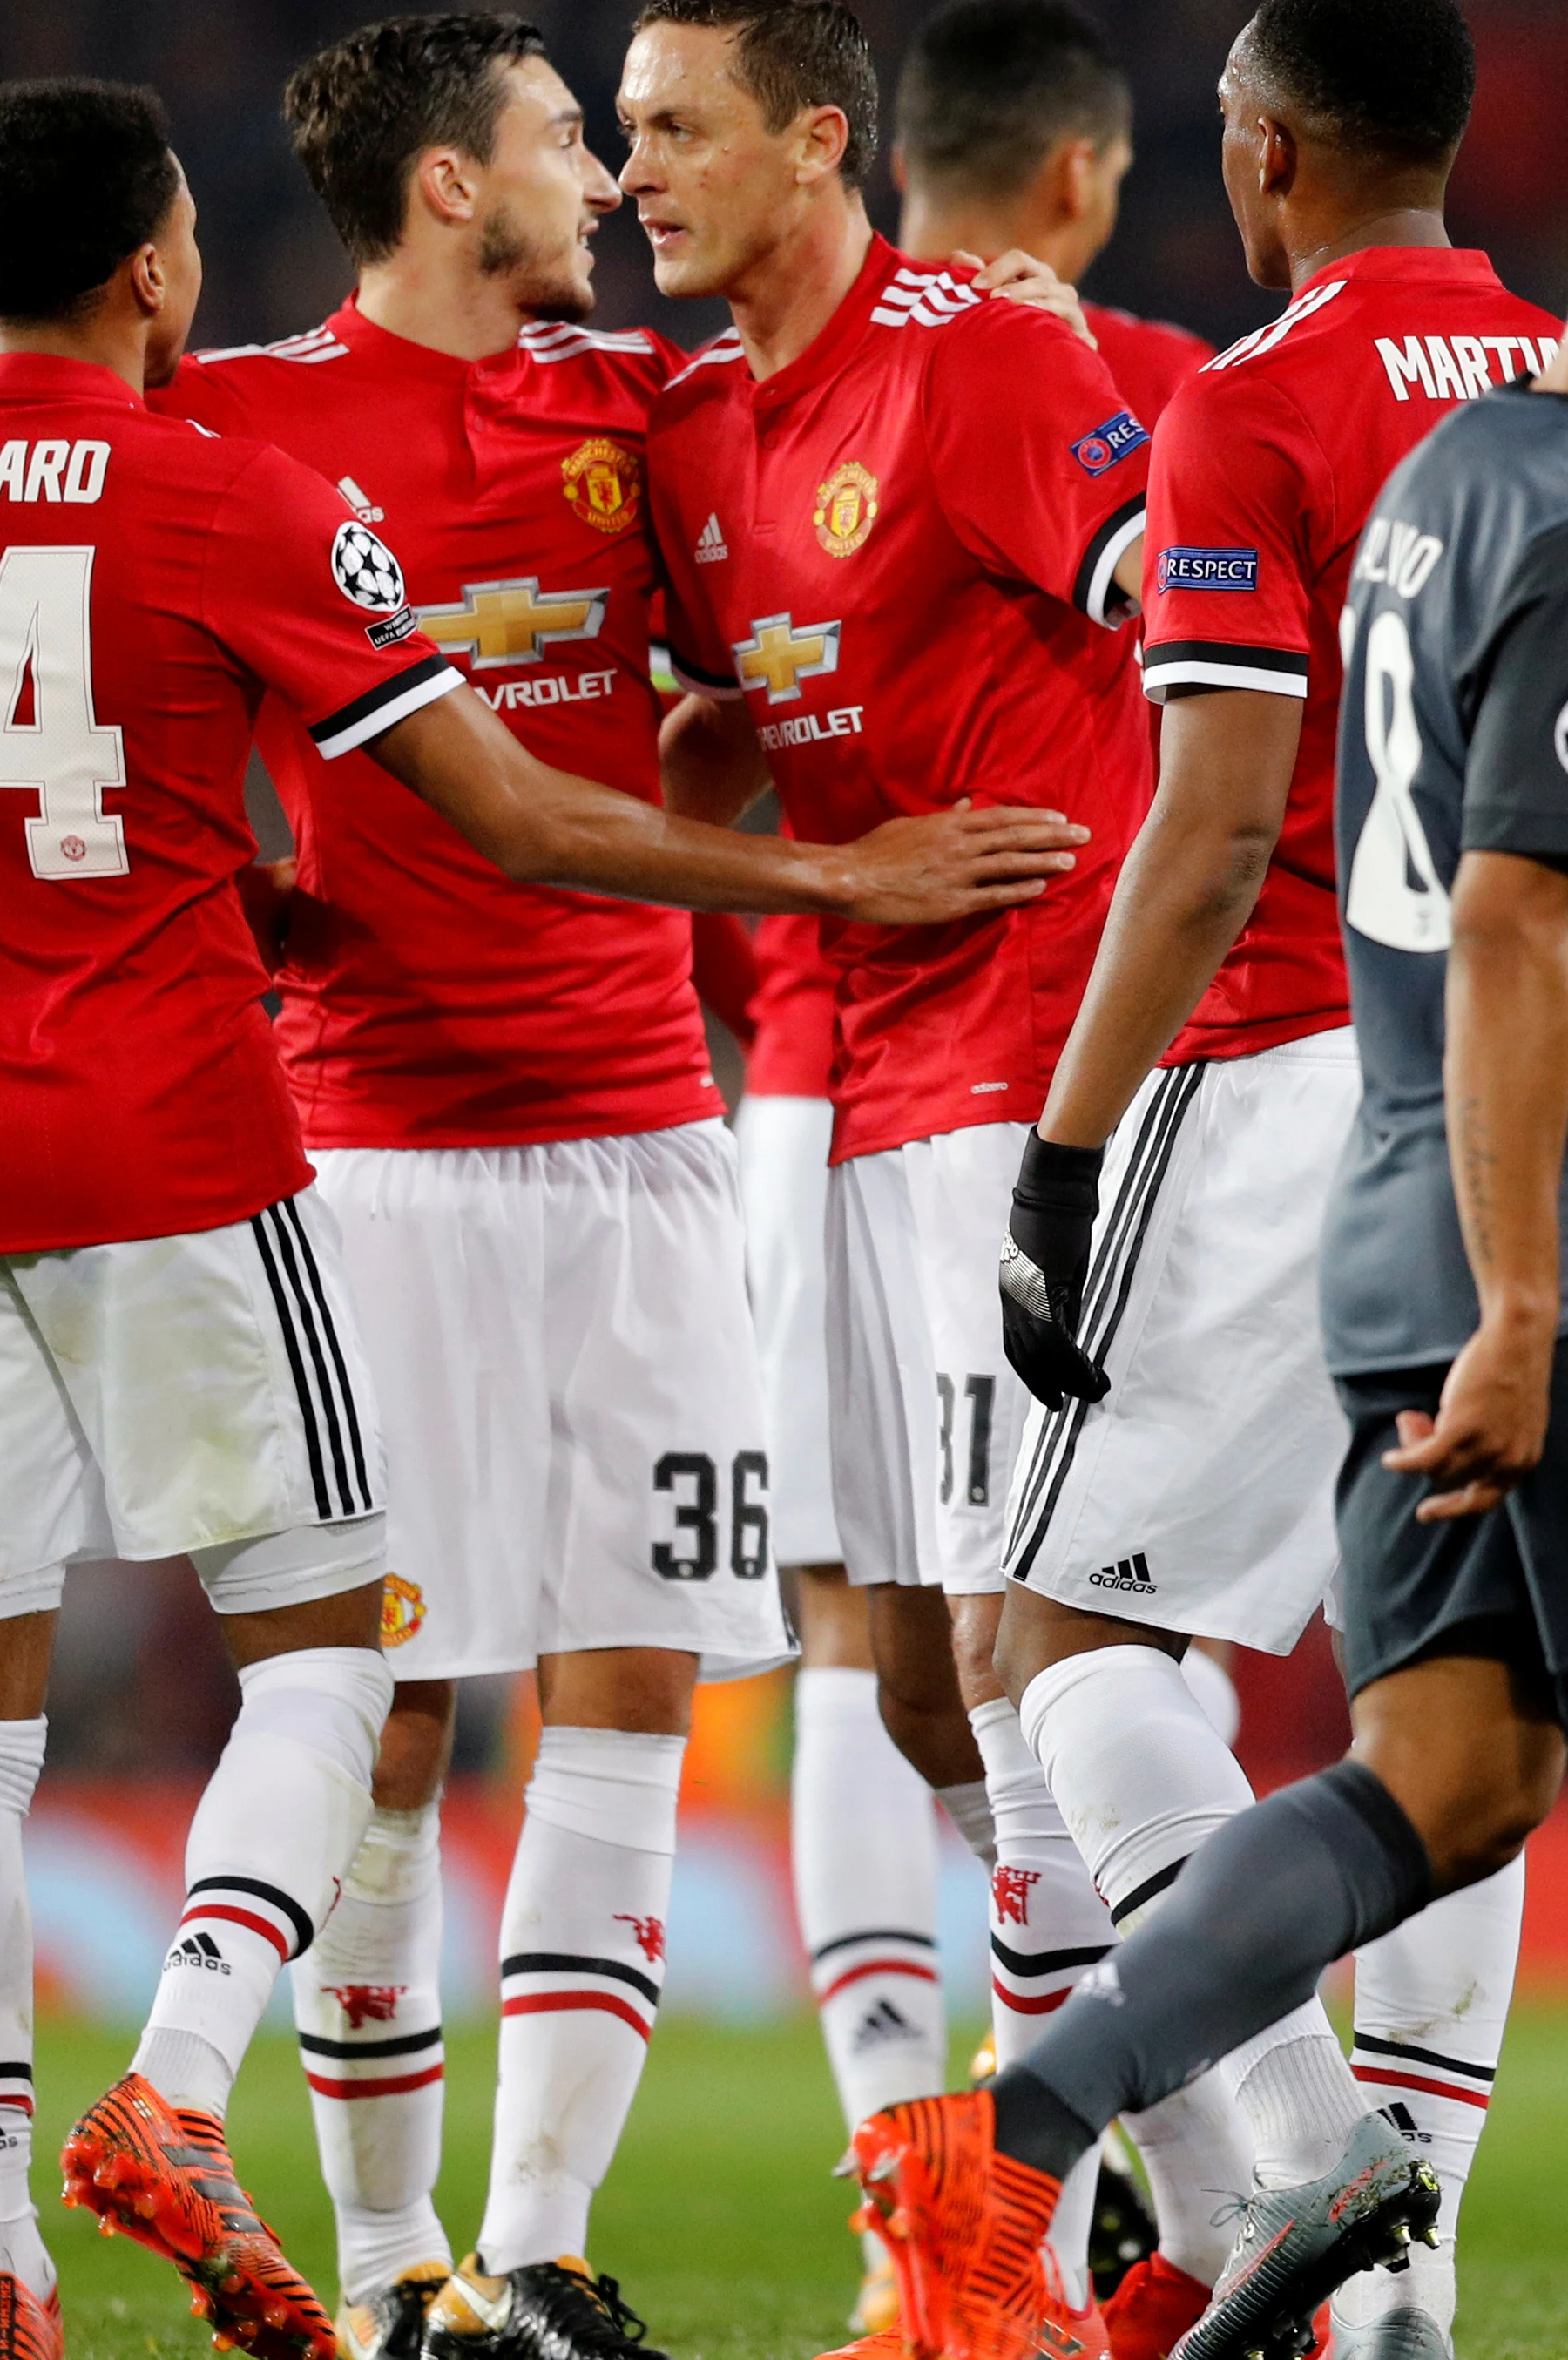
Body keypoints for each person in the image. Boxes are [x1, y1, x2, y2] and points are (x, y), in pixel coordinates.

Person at [0, 73, 1083, 2360]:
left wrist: (998, 315)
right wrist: (829, 874)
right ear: (439, 178)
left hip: (638, 1140)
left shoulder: (648, 410)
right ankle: (394, 2256)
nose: (609, 173)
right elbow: (220, 636)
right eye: (563, 127)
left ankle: (526, 2245)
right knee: (384, 1717)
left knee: (619, 1691)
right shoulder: (246, 439)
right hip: (358, 1141)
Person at [832, 74, 1568, 2360]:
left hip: (1405, 1184)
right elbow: (1530, 914)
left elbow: (1460, 897)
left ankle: (1033, 2133)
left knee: (1432, 1774)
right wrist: (1555, 1279)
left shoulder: (1439, 491)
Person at [972, 5, 1559, 2356]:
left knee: (1075, 1645)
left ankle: (1322, 2168)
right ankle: (1411, 2299)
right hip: (1549, 1089)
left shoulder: (1256, 396)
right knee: (1467, 1705)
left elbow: (1216, 826)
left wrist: (1069, 1132)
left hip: (1296, 1065)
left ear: (1266, 152)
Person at [612, 0, 1160, 2326]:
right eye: (622, 134)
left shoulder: (989, 363)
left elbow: (1197, 606)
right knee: (913, 1678)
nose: (641, 172)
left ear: (822, 140)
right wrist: (711, 764)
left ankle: (1059, 2211)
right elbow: (755, 740)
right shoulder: (710, 430)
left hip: (1037, 1075)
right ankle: (1085, 2148)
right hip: (847, 1078)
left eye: (679, 131)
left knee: (1036, 1660)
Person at [887, 0, 1213, 420]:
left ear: (901, 166)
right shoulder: (1164, 381)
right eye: (1114, 174)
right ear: (1075, 176)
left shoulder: (799, 347)